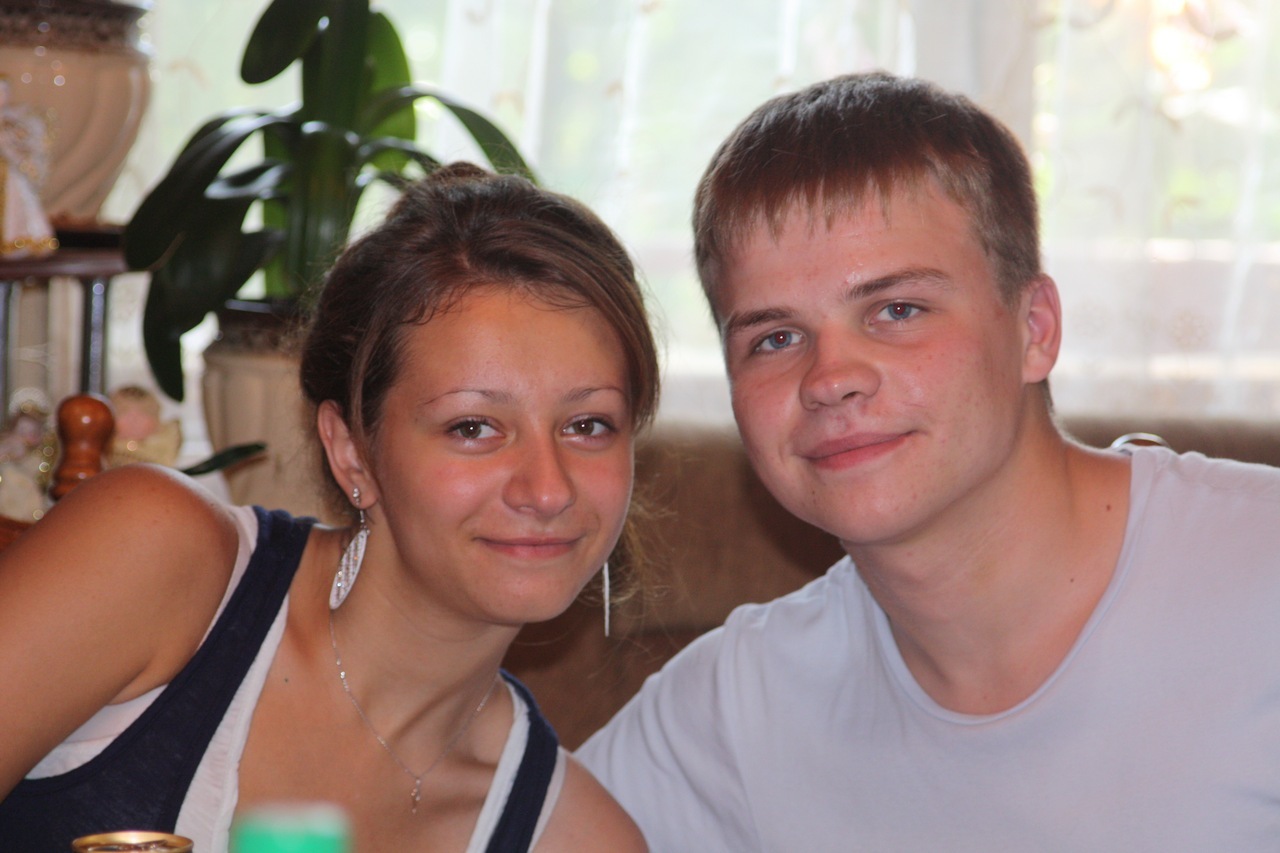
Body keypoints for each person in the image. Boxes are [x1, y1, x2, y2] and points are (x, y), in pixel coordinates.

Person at [577, 71, 1280, 851]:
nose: (829, 377)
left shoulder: (1260, 578)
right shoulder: (736, 709)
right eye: (775, 338)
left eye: (897, 309)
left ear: (1035, 329)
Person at [0, 163, 657, 852]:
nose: (548, 489)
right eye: (472, 427)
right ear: (351, 451)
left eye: (589, 425)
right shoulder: (155, 553)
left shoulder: (578, 839)